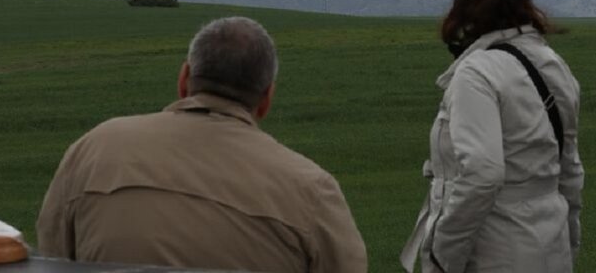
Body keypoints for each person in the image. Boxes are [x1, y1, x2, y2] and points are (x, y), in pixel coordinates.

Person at [36, 15, 367, 273]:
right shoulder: (312, 191)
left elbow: (52, 255)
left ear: (184, 79)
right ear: (266, 99)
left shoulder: (94, 148)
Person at [400, 0, 583, 273]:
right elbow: (569, 170)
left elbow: (482, 174)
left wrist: (442, 257)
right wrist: (567, 243)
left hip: (493, 254)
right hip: (550, 248)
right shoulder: (553, 64)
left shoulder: (476, 74)